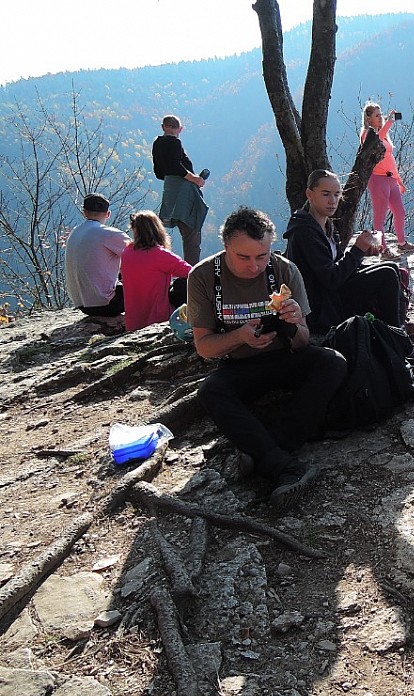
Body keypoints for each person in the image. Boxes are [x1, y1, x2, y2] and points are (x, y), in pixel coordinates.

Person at [187, 207, 347, 508]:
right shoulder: (203, 277)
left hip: (284, 357)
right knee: (211, 391)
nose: (255, 266)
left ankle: (265, 450)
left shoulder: (284, 270)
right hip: (240, 364)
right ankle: (283, 464)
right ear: (225, 248)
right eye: (243, 257)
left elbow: (302, 343)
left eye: (261, 256)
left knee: (333, 361)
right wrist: (238, 336)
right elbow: (204, 346)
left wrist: (296, 322)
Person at [284, 169, 406, 336]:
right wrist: (356, 251)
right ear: (309, 194)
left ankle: (393, 333)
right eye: (325, 194)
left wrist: (362, 253)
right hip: (321, 305)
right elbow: (331, 278)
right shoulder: (304, 232)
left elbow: (340, 265)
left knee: (392, 267)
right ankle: (397, 341)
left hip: (333, 293)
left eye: (336, 194)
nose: (332, 201)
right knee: (386, 274)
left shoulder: (326, 226)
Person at [361, 102, 414, 259]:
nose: (381, 118)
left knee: (399, 212)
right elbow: (376, 140)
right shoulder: (368, 134)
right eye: (377, 116)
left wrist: (398, 180)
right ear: (369, 119)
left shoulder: (383, 134)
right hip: (377, 179)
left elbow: (389, 158)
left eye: (381, 115)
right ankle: (383, 249)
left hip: (390, 178)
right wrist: (389, 122)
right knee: (380, 217)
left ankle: (402, 243)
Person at [121, 211, 192, 332]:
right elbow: (192, 273)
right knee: (183, 284)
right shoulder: (160, 255)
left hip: (133, 323)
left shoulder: (127, 253)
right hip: (159, 318)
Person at [152, 114, 208, 264]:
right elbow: (176, 167)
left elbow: (159, 172)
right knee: (192, 231)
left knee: (162, 230)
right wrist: (196, 179)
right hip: (183, 191)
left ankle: (156, 262)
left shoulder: (157, 143)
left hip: (169, 189)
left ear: (163, 126)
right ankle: (191, 272)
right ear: (180, 129)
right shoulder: (175, 142)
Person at [65, 193, 130, 321]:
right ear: (108, 214)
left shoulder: (75, 233)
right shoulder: (109, 233)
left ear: (84, 212)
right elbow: (143, 256)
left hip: (82, 305)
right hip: (107, 305)